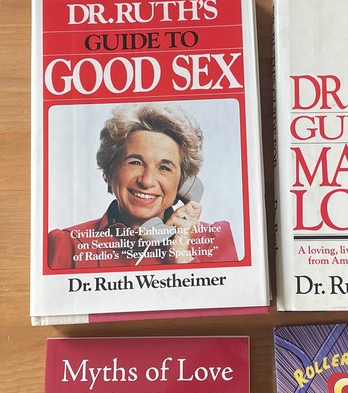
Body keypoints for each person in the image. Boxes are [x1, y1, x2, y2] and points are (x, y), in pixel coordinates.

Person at [48, 102, 238, 270]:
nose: (147, 181)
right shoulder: (68, 243)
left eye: (164, 168)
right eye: (135, 162)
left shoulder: (213, 240)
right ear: (110, 171)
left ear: (183, 183)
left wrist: (182, 256)